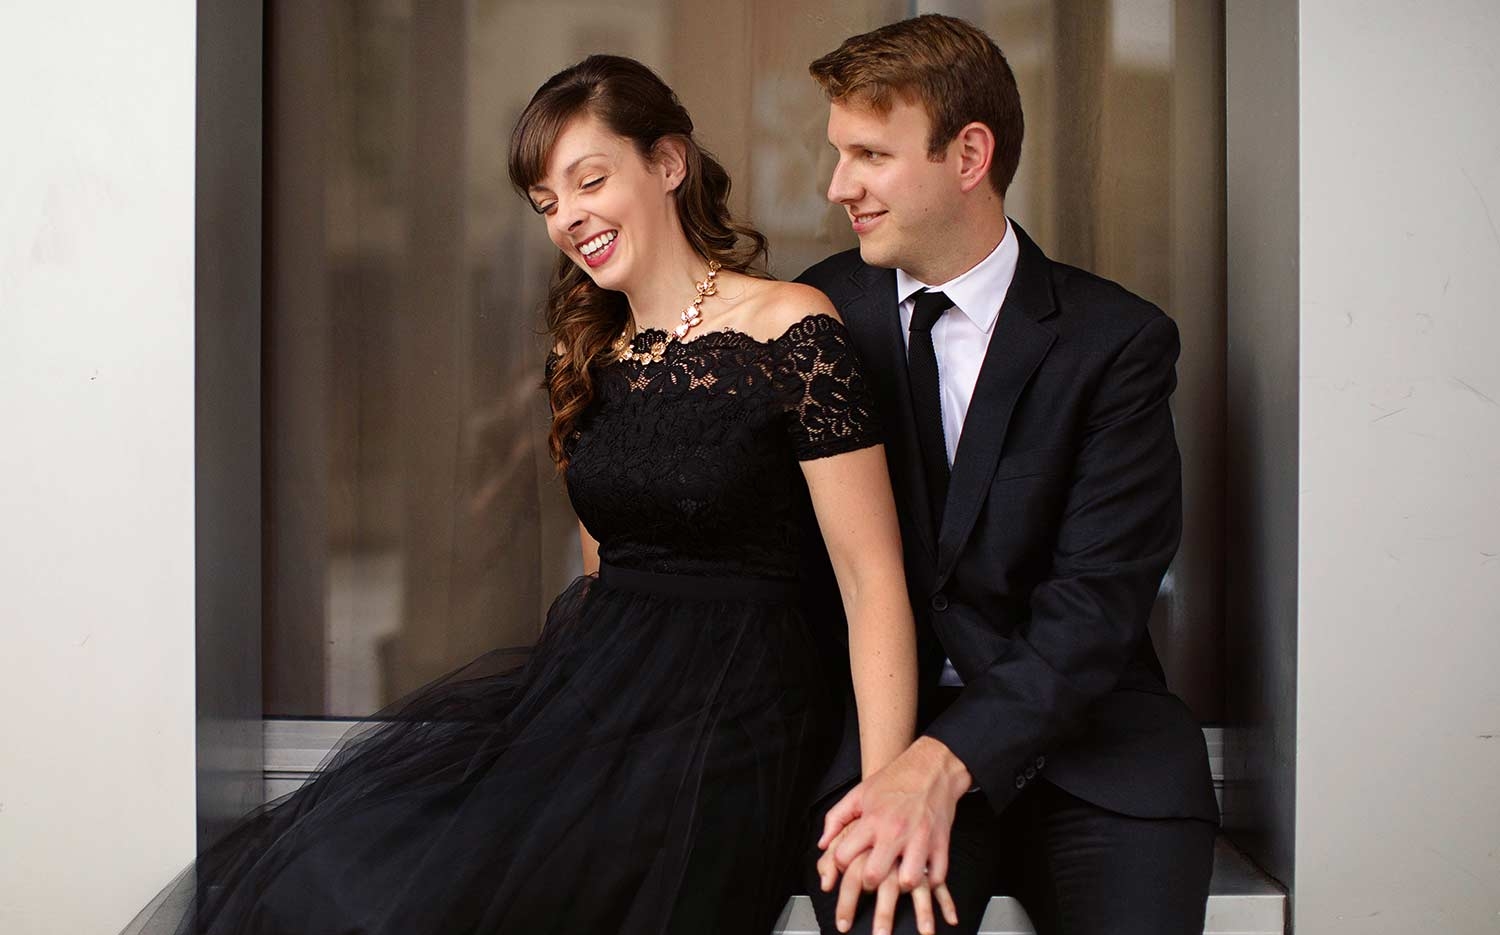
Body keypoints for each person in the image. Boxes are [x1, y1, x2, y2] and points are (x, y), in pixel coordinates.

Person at [120, 54, 925, 935]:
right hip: (600, 692)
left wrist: (883, 786)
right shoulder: (587, 357)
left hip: (743, 706)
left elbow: (871, 581)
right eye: (546, 203)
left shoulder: (792, 328)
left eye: (590, 181)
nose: (568, 217)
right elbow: (602, 569)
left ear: (667, 163)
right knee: (368, 881)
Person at [794, 15, 1220, 935]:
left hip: (1094, 752)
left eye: (870, 155)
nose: (839, 186)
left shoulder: (1117, 343)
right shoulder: (814, 315)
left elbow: (1097, 604)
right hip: (882, 740)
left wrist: (943, 760)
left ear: (969, 155)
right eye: (840, 154)